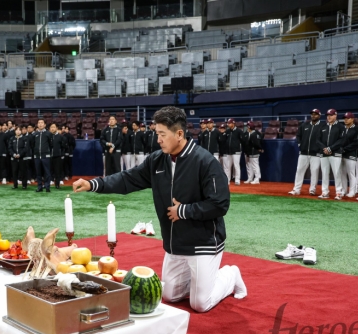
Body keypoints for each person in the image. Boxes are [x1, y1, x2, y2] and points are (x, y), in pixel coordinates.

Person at [73, 106, 247, 313]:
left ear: (179, 134)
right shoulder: (157, 159)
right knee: (170, 296)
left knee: (200, 304)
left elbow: (220, 204)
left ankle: (230, 275)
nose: (158, 140)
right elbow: (128, 179)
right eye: (157, 134)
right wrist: (95, 184)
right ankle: (202, 280)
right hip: (174, 244)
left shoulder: (206, 162)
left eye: (162, 134)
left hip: (204, 243)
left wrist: (183, 211)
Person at [288, 109, 323, 196]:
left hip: (316, 154)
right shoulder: (304, 125)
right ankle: (296, 189)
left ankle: (312, 190)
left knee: (314, 172)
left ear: (319, 116)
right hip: (303, 153)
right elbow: (298, 135)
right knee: (299, 171)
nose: (313, 116)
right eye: (312, 114)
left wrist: (320, 148)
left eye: (315, 114)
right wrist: (300, 144)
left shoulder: (323, 126)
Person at [317, 109, 345, 200]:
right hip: (324, 153)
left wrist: (330, 148)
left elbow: (341, 140)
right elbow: (318, 140)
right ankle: (325, 192)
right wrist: (324, 148)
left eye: (331, 115)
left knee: (337, 173)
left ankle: (339, 192)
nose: (329, 117)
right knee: (324, 174)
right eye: (328, 115)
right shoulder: (323, 126)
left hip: (335, 153)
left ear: (335, 116)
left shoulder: (340, 127)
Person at [340, 113, 358, 198]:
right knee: (342, 173)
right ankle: (344, 190)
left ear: (352, 119)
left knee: (351, 173)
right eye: (345, 118)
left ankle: (352, 191)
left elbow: (356, 142)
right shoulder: (342, 129)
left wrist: (345, 149)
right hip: (341, 154)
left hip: (351, 154)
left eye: (348, 118)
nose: (346, 120)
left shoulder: (356, 129)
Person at [30, 119, 53, 192]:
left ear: (45, 125)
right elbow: (32, 145)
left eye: (42, 123)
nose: (40, 124)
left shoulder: (48, 134)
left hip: (45, 156)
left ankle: (47, 187)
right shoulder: (34, 134)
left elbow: (51, 145)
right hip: (37, 156)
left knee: (47, 172)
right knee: (38, 173)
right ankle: (39, 187)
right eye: (39, 123)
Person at [223, 118, 243, 185]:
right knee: (228, 166)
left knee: (236, 166)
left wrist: (239, 148)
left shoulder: (239, 131)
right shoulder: (227, 131)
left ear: (233, 123)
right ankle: (227, 180)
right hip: (228, 151)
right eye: (228, 123)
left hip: (236, 151)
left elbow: (242, 141)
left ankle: (237, 180)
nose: (228, 124)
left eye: (230, 123)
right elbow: (225, 141)